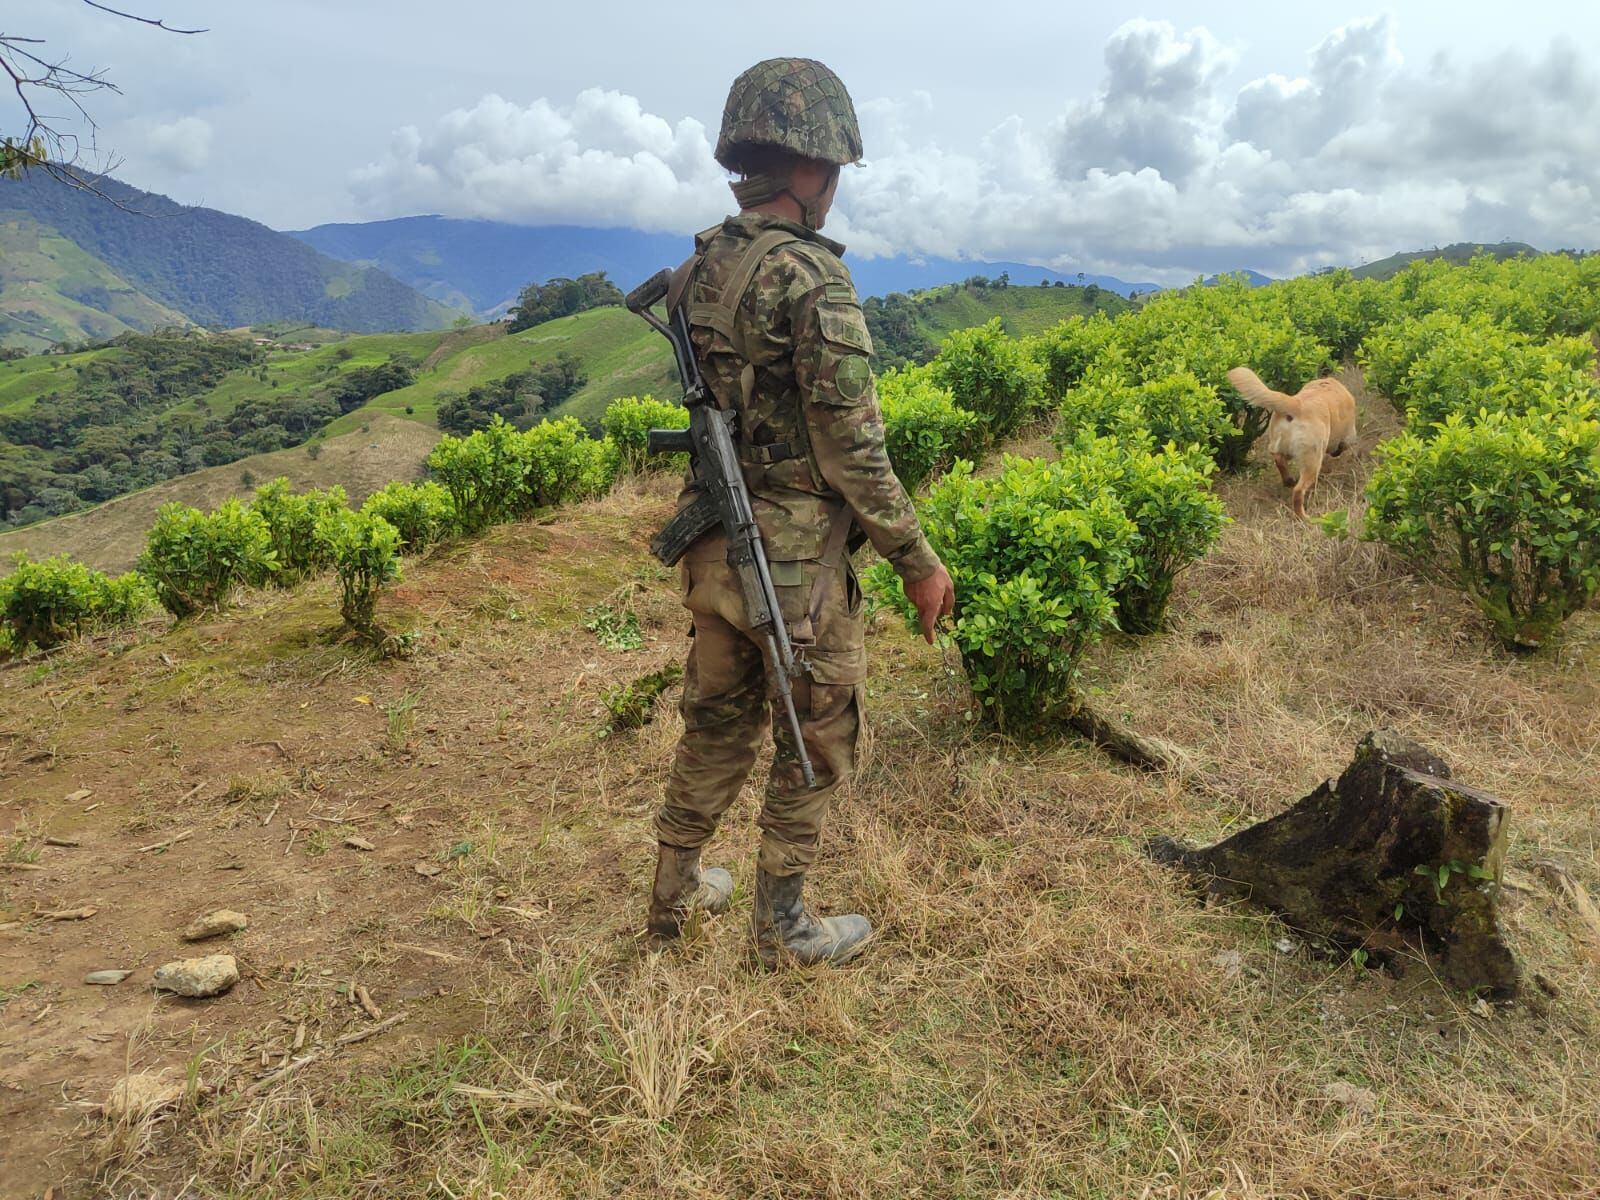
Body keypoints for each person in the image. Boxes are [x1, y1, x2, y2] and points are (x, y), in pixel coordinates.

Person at [645, 57, 955, 967]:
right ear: (814, 170)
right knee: (813, 734)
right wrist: (917, 558)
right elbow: (852, 447)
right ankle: (783, 928)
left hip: (713, 542)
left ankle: (670, 902)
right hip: (795, 565)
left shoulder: (699, 267)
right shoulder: (814, 282)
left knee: (715, 721)